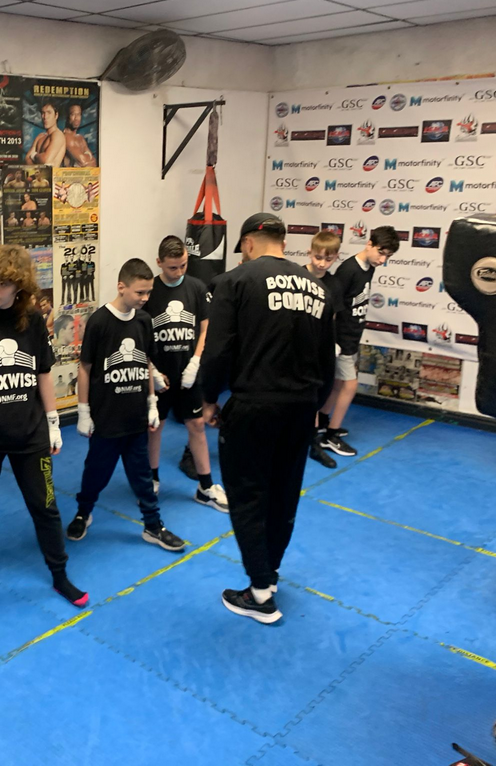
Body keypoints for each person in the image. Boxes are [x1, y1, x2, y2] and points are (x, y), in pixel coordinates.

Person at [199, 214, 335, 624]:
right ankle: (269, 576)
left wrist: (209, 399)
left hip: (256, 404)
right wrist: (315, 407)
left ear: (248, 243)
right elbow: (327, 360)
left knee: (247, 495)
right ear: (283, 242)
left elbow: (218, 349)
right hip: (301, 407)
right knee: (283, 494)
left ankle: (259, 593)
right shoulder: (318, 289)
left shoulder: (235, 281)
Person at [0, 245, 88, 607]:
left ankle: (60, 574)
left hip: (30, 433)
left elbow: (43, 373)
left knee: (46, 505)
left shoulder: (33, 321)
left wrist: (54, 423)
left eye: (3, 283)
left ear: (19, 286)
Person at [66, 258, 187, 553]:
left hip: (135, 416)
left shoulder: (143, 320)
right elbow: (85, 368)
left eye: (148, 292)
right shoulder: (99, 322)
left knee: (142, 475)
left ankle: (153, 525)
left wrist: (152, 402)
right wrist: (83, 412)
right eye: (139, 292)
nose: (145, 298)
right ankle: (83, 512)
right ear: (121, 287)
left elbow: (145, 362)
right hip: (107, 417)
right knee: (96, 472)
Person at [143, 236, 227, 509]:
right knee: (155, 426)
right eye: (172, 267)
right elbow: (139, 333)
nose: (178, 271)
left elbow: (205, 328)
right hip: (161, 375)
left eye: (183, 265)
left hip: (188, 372)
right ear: (159, 263)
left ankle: (206, 487)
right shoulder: (149, 291)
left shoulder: (196, 288)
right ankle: (152, 478)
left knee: (197, 425)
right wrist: (152, 370)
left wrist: (196, 361)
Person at [318, 226, 400, 458]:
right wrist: (332, 340)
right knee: (350, 386)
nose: (382, 260)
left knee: (337, 384)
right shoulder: (348, 270)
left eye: (387, 256)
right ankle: (330, 436)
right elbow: (332, 305)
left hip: (353, 335)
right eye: (380, 253)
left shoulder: (369, 267)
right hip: (342, 338)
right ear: (369, 244)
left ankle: (322, 422)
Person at [304, 231, 345, 469]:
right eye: (317, 257)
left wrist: (330, 344)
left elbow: (332, 319)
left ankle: (313, 443)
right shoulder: (296, 276)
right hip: (294, 347)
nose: (321, 263)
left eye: (327, 259)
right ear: (309, 252)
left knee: (314, 398)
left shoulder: (334, 285)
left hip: (318, 350)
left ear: (336, 258)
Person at [25, 101, 66, 166]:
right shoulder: (40, 136)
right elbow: (27, 159)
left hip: (52, 173)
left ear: (56, 115)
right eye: (43, 113)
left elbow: (46, 160)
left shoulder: (58, 135)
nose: (45, 117)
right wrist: (39, 159)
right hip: (37, 172)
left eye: (49, 113)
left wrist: (34, 155)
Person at [63, 103, 98, 167]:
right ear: (67, 117)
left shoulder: (80, 138)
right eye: (73, 114)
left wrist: (87, 158)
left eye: (78, 114)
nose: (76, 118)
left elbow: (94, 161)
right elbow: (83, 162)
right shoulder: (66, 137)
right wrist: (88, 156)